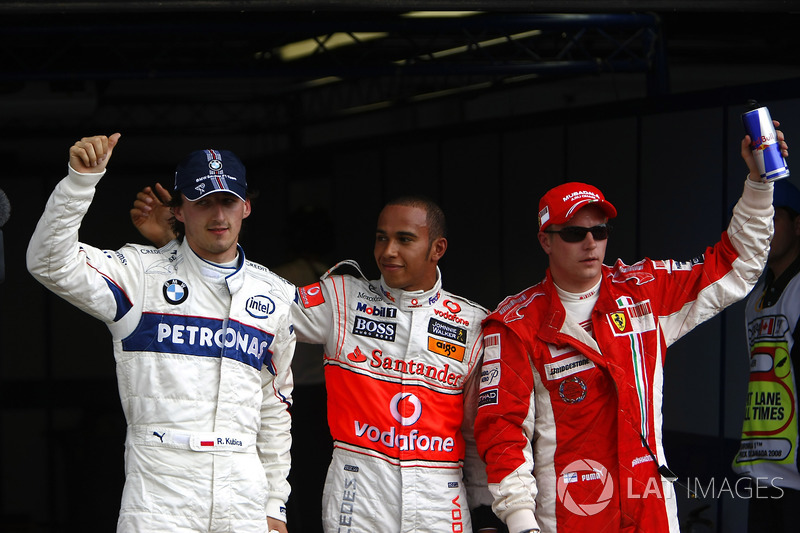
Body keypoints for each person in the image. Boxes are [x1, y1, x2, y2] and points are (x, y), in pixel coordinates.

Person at [474, 127, 787, 533]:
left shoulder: (645, 291)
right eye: (574, 233)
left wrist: (760, 184)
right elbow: (502, 430)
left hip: (650, 510)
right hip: (568, 517)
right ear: (545, 241)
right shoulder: (516, 323)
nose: (590, 243)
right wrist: (520, 523)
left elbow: (735, 267)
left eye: (599, 231)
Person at [130, 191, 501, 532]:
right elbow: (250, 299)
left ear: (437, 248)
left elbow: (475, 434)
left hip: (441, 500)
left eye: (404, 239)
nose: (388, 251)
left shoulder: (471, 324)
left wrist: (485, 515)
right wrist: (176, 244)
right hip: (359, 493)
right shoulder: (343, 298)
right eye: (380, 237)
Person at [27, 134, 296, 533]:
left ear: (247, 206)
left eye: (227, 201)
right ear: (179, 211)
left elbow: (274, 405)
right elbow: (49, 263)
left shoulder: (275, 293)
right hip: (160, 497)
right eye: (203, 202)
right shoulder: (140, 276)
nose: (218, 215)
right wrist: (80, 182)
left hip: (244, 498)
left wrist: (275, 504)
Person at [732, 179, 800, 533]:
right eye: (761, 220)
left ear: (798, 225)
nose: (766, 229)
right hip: (762, 467)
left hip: (796, 475)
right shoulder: (754, 299)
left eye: (775, 219)